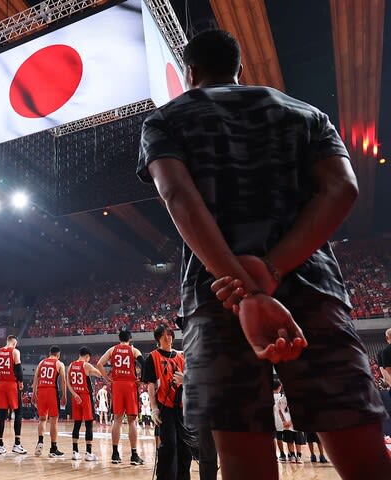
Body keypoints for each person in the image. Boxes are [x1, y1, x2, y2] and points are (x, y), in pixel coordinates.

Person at [137, 28, 390, 480]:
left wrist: (242, 285)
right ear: (239, 71)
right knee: (358, 440)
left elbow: (177, 194)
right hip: (312, 287)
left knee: (240, 454)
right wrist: (270, 269)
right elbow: (343, 188)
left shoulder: (167, 120)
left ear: (189, 72)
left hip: (219, 296)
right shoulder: (306, 113)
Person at [142, 324, 191, 480]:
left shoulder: (181, 356)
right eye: (164, 334)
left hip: (182, 407)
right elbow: (150, 384)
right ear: (158, 338)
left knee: (185, 446)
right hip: (165, 407)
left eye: (170, 333)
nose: (168, 336)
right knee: (169, 445)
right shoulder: (153, 357)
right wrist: (154, 408)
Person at [97, 329, 144, 465]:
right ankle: (134, 454)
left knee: (117, 419)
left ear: (119, 338)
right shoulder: (134, 350)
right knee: (132, 421)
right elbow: (144, 363)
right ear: (130, 339)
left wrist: (106, 378)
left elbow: (100, 363)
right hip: (130, 385)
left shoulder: (112, 350)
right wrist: (142, 379)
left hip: (117, 385)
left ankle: (115, 454)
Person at [0, 335, 27, 454]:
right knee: (18, 413)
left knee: (1, 415)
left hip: (1, 384)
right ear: (14, 343)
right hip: (12, 385)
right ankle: (17, 444)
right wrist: (21, 382)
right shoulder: (15, 351)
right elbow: (19, 369)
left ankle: (0, 445)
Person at [68, 346, 104, 461]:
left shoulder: (71, 365)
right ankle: (88, 453)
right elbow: (99, 374)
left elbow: (68, 383)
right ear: (87, 356)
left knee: (76, 424)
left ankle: (75, 452)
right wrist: (94, 369)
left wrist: (74, 394)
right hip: (85, 396)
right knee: (89, 424)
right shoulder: (86, 365)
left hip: (75, 397)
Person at [31, 345, 67, 458]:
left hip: (41, 391)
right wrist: (64, 395)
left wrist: (34, 392)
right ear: (58, 354)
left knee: (42, 419)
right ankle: (53, 448)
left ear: (49, 353)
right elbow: (63, 381)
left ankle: (40, 441)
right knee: (53, 421)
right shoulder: (59, 363)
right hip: (51, 391)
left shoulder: (41, 363)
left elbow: (35, 377)